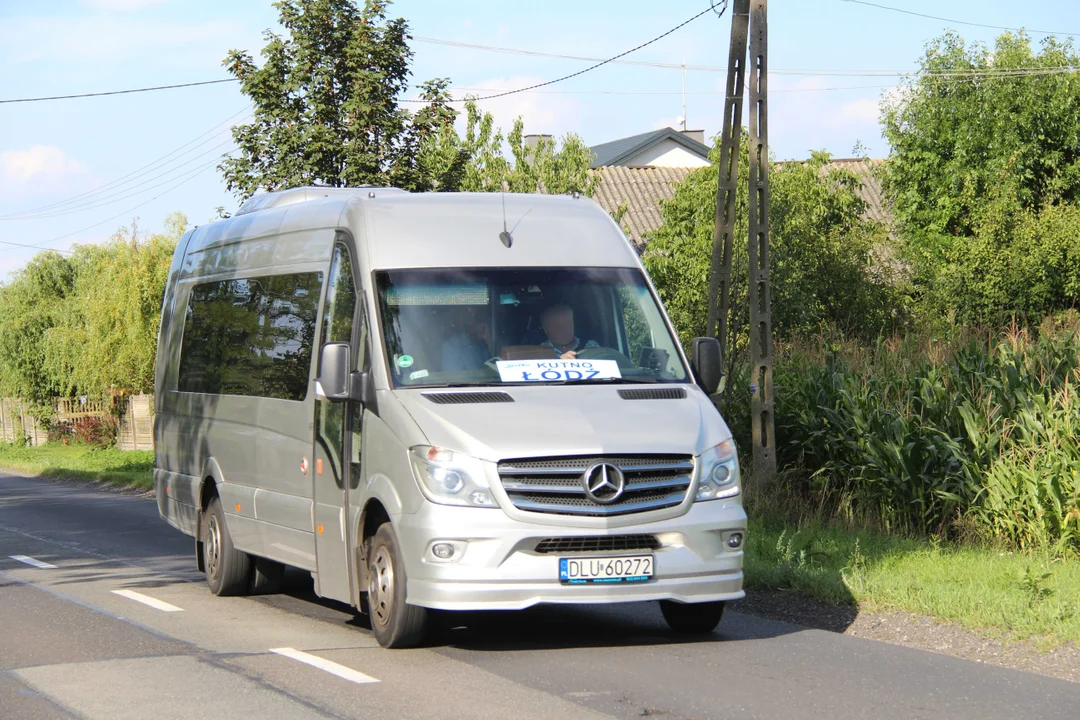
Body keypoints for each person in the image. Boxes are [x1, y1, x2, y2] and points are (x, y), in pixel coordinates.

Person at [441, 305, 491, 371]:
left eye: (477, 309)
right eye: (469, 309)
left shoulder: (497, 343)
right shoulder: (451, 347)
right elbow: (453, 379)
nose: (473, 314)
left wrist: (489, 341)